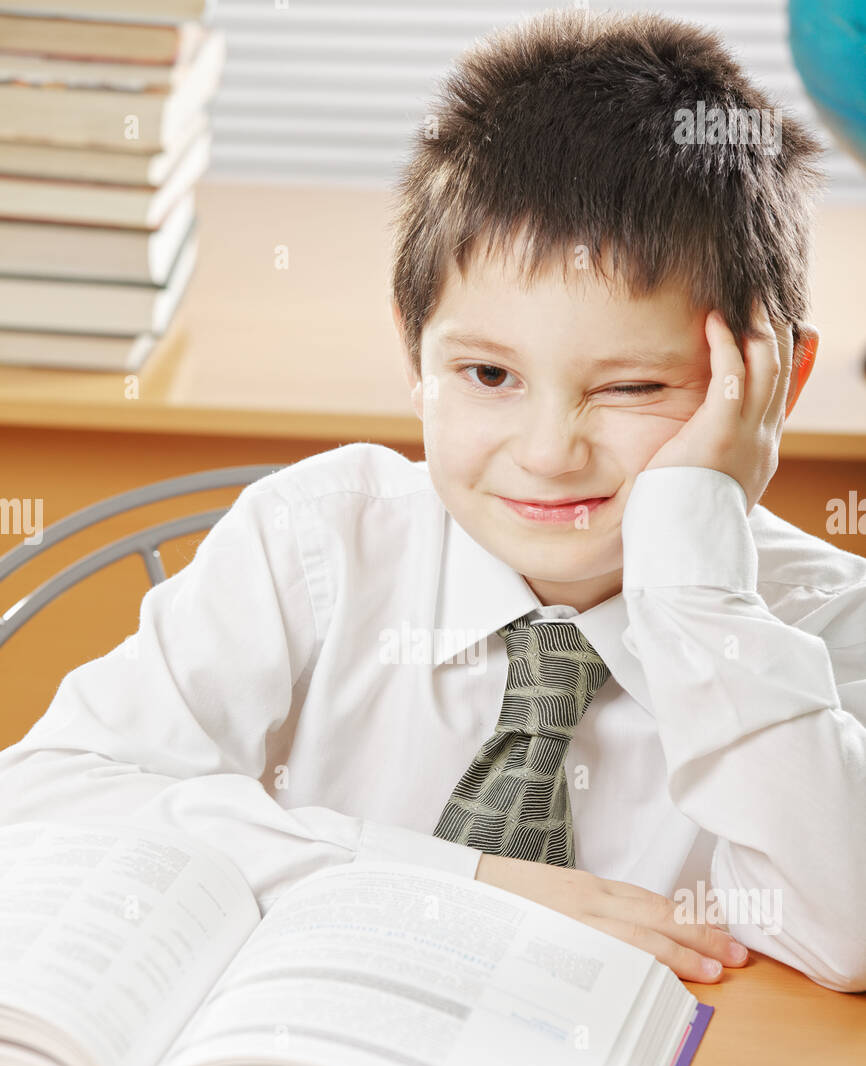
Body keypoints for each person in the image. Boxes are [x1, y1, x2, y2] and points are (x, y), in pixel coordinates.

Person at [1, 9, 864, 991]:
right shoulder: (319, 543)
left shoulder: (820, 624)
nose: (547, 453)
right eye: (487, 375)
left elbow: (853, 933)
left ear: (771, 386)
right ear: (415, 355)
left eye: (630, 387)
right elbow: (42, 800)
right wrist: (457, 883)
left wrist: (701, 603)